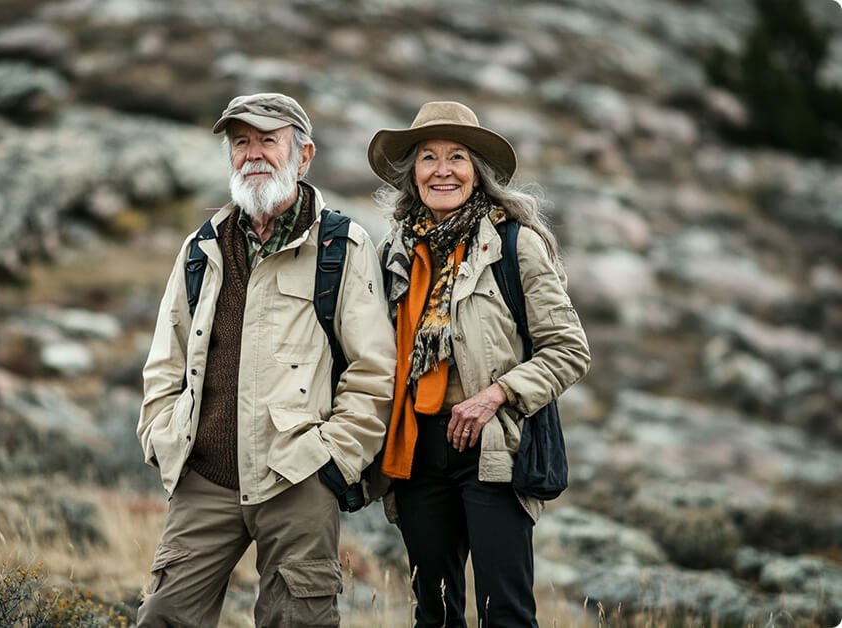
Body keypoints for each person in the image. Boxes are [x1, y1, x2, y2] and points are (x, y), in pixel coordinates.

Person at [136, 92, 396, 627]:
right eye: (241, 142)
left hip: (298, 476)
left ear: (303, 156)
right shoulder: (200, 248)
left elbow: (375, 373)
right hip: (205, 478)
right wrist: (163, 438)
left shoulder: (342, 246)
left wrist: (333, 461)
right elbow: (166, 362)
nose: (253, 153)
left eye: (268, 141)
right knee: (163, 616)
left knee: (296, 621)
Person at [367, 101, 591, 627]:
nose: (442, 170)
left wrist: (496, 396)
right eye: (428, 157)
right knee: (435, 615)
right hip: (416, 451)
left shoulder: (515, 245)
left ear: (479, 172)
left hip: (494, 449)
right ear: (412, 174)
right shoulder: (391, 252)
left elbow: (568, 348)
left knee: (505, 613)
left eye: (457, 157)